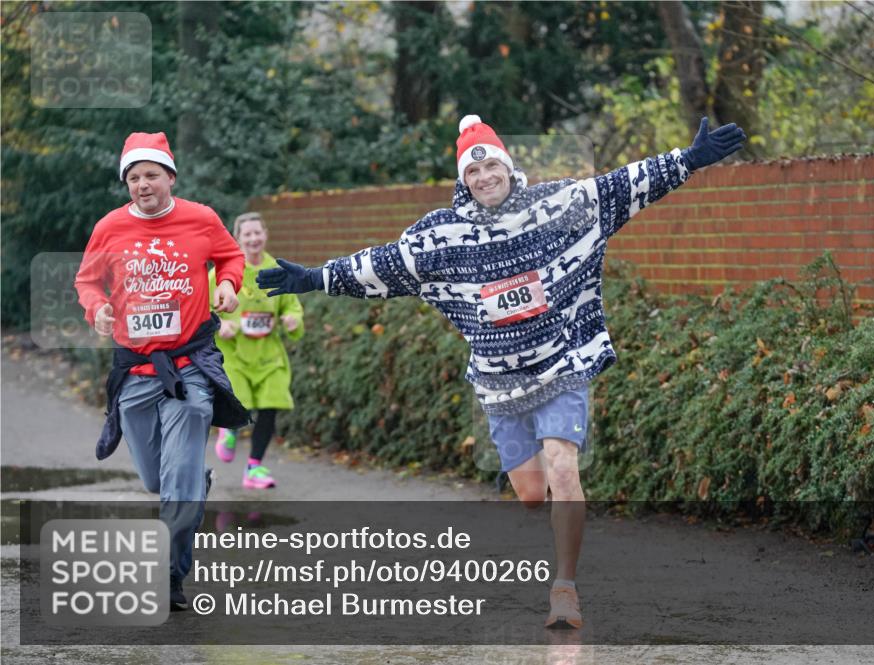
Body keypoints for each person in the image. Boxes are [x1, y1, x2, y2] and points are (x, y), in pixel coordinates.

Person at [257, 115, 745, 629]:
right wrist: (315, 277)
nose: (485, 177)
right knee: (532, 494)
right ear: (463, 180)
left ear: (509, 167)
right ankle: (536, 501)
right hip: (498, 381)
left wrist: (687, 160)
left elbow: (621, 185)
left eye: (491, 165)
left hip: (561, 364)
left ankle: (565, 589)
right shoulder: (443, 235)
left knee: (563, 471)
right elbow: (385, 263)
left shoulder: (557, 205)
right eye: (474, 171)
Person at [74, 131, 251, 612]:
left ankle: (171, 576)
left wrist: (230, 286)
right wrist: (98, 310)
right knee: (157, 480)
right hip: (135, 371)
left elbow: (230, 256)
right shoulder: (110, 227)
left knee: (178, 482)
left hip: (189, 366)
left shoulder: (201, 218)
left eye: (151, 174)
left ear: (170, 177)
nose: (142, 184)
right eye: (133, 177)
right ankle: (194, 481)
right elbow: (88, 280)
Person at [210, 212, 305, 489]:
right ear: (237, 238)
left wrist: (292, 319)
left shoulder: (278, 270)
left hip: (269, 353)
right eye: (247, 234)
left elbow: (292, 306)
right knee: (240, 401)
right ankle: (227, 430)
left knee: (271, 404)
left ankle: (255, 467)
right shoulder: (223, 273)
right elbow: (201, 311)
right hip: (234, 354)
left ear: (265, 235)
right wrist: (220, 325)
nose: (253, 239)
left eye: (257, 233)